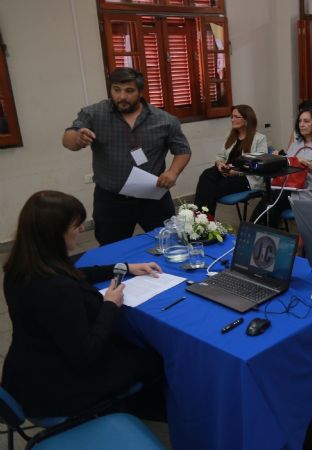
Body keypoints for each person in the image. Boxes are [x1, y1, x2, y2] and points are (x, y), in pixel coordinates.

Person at [2, 191, 165, 418]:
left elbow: (75, 272)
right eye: (76, 226)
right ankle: (144, 411)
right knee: (152, 357)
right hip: (57, 389)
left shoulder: (22, 266)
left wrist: (124, 267)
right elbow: (86, 354)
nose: (82, 229)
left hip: (26, 372)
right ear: (54, 234)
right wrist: (110, 305)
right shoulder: (58, 290)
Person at [62, 67, 191, 246]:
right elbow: (68, 138)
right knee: (110, 248)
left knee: (169, 243)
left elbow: (183, 150)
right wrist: (76, 138)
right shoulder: (94, 113)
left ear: (140, 92)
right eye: (116, 90)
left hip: (153, 197)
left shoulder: (165, 120)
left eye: (129, 91)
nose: (122, 96)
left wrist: (173, 172)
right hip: (111, 200)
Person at [253, 106, 312, 228]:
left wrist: (306, 162)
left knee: (271, 201)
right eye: (300, 121)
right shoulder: (296, 144)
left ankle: (252, 230)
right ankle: (262, 233)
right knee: (270, 204)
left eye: (306, 121)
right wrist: (278, 159)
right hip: (290, 187)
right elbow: (288, 165)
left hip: (308, 191)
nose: (302, 124)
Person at [193, 105, 270, 216]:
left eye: (236, 117)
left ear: (246, 119)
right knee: (206, 174)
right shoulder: (231, 136)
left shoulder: (260, 139)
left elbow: (259, 166)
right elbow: (220, 156)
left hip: (246, 178)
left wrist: (237, 172)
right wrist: (220, 164)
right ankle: (201, 220)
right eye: (231, 117)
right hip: (227, 172)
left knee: (211, 190)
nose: (232, 120)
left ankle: (202, 221)